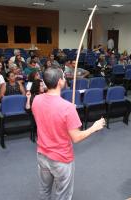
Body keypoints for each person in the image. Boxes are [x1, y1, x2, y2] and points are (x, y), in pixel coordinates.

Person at [32, 68, 105, 200]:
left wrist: (67, 110)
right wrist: (94, 127)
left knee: (44, 191)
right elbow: (76, 138)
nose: (65, 79)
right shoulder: (67, 107)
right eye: (64, 77)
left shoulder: (36, 99)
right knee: (63, 195)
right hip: (61, 159)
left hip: (42, 154)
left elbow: (48, 117)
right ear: (60, 81)